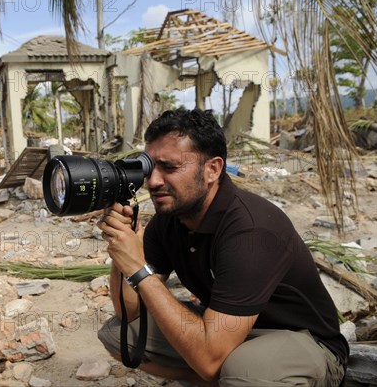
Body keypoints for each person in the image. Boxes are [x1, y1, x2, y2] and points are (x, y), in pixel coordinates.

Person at [97, 108, 348, 386]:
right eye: (150, 167)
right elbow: (129, 311)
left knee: (240, 369)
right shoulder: (170, 219)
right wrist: (121, 251)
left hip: (305, 344)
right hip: (229, 331)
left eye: (169, 167)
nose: (154, 181)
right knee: (121, 334)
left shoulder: (251, 231)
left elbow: (209, 361)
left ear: (212, 169)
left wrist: (138, 269)